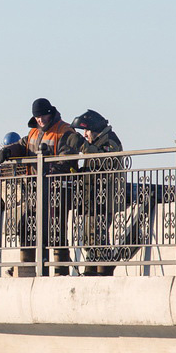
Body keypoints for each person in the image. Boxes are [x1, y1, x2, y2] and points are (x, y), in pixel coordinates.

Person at [0, 98, 80, 276]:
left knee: (56, 229)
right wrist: (8, 151)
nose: (40, 120)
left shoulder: (64, 131)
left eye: (43, 116)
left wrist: (48, 170)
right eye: (37, 117)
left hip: (58, 189)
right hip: (34, 190)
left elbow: (68, 157)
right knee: (27, 224)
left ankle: (60, 270)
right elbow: (22, 145)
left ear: (51, 113)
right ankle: (27, 266)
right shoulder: (33, 133)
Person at [70, 110, 124, 276]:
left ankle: (103, 273)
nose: (85, 135)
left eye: (86, 131)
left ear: (94, 129)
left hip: (104, 198)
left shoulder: (110, 140)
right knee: (88, 238)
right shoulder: (96, 142)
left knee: (98, 237)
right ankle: (90, 271)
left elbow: (104, 160)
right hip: (91, 197)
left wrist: (83, 145)